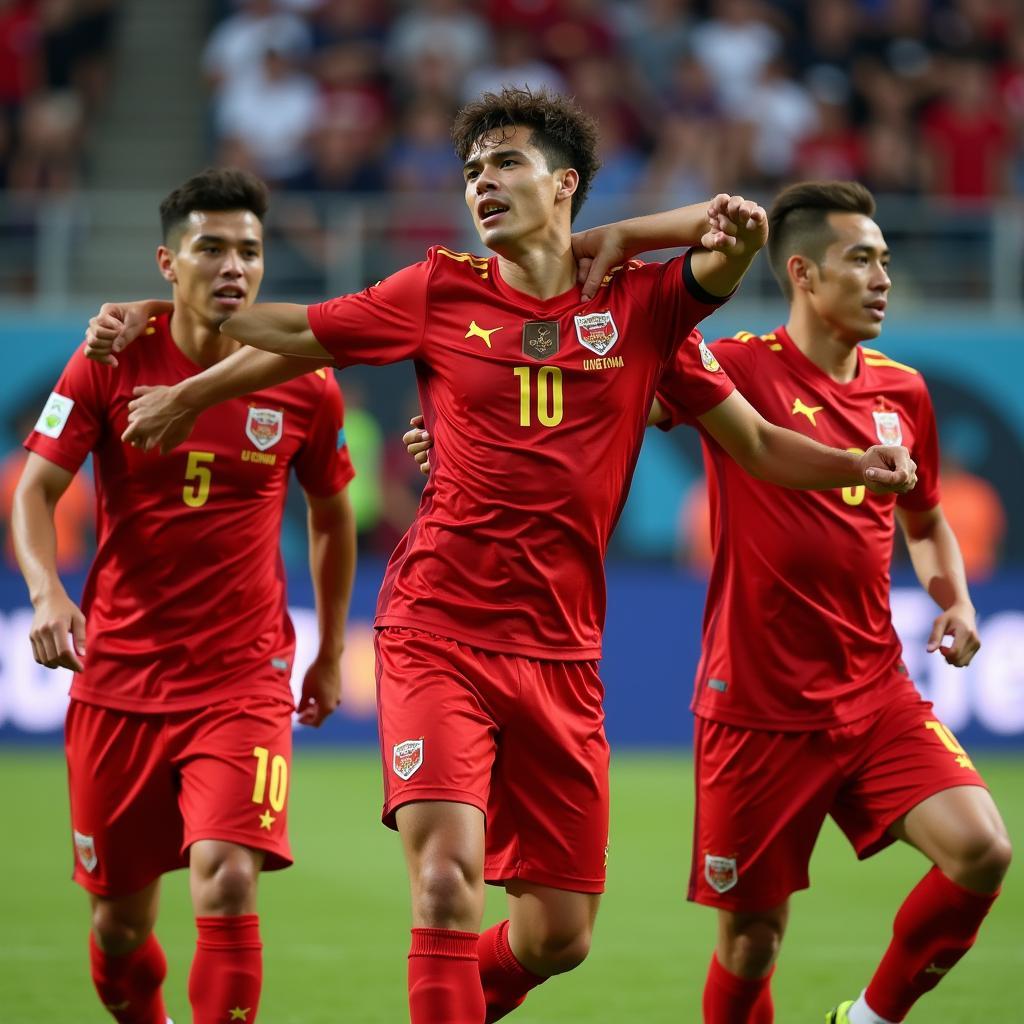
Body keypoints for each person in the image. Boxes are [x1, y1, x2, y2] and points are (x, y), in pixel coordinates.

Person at [82, 91, 916, 1024]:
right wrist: (180, 344)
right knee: (446, 882)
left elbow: (743, 296)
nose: (482, 182)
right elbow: (301, 333)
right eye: (473, 170)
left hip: (561, 653)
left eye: (505, 164)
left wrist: (853, 463)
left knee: (560, 934)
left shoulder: (642, 312)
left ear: (564, 186)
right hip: (437, 627)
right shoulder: (437, 289)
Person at [404, 179, 1012, 1024]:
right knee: (751, 942)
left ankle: (867, 1020)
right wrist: (478, 430)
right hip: (755, 710)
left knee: (982, 850)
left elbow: (927, 517)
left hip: (875, 693)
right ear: (803, 272)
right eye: (861, 260)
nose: (882, 279)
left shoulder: (903, 392)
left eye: (885, 261)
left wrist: (955, 600)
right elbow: (594, 400)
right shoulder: (733, 364)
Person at [11, 168, 357, 1024]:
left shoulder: (303, 378)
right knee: (120, 930)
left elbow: (332, 517)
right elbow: (31, 492)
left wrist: (332, 649)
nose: (233, 266)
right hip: (118, 678)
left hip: (242, 677)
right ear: (169, 262)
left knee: (231, 876)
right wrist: (48, 590)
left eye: (250, 249)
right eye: (212, 248)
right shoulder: (111, 356)